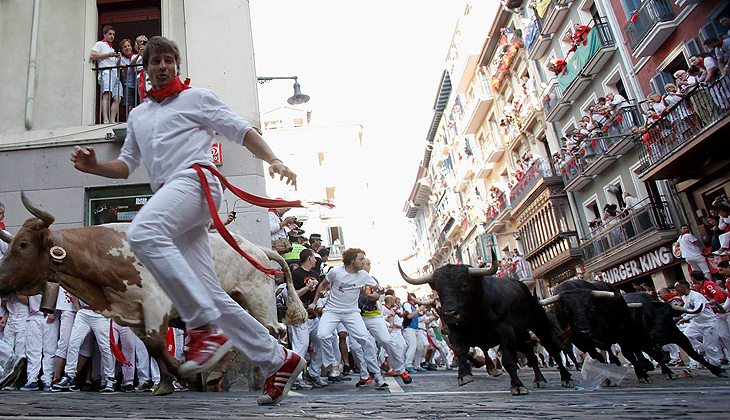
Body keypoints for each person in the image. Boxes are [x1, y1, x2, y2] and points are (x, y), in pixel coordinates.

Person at [70, 36, 304, 405]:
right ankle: (278, 359)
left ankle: (201, 326)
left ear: (177, 65)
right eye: (155, 61)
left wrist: (273, 159)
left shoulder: (198, 98)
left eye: (168, 60)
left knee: (143, 232)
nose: (162, 66)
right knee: (210, 292)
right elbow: (127, 165)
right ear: (144, 69)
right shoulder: (138, 115)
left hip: (198, 181)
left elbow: (241, 130)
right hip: (173, 197)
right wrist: (96, 166)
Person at [311, 248, 389, 389]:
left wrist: (381, 290)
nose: (363, 262)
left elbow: (377, 288)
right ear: (352, 260)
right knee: (322, 335)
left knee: (365, 340)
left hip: (351, 312)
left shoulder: (363, 275)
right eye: (361, 259)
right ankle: (334, 364)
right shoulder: (335, 272)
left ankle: (377, 375)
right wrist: (315, 302)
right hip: (332, 310)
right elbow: (322, 286)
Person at [358, 258, 411, 384]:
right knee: (362, 346)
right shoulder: (350, 278)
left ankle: (400, 369)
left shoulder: (372, 280)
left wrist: (365, 295)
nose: (369, 267)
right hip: (357, 316)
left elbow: (376, 295)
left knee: (386, 340)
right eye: (367, 264)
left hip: (374, 315)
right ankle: (373, 375)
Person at [674, 281, 723, 372]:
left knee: (710, 347)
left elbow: (698, 310)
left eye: (677, 289)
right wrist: (680, 315)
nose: (676, 291)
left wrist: (686, 318)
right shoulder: (684, 297)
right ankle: (702, 350)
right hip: (696, 322)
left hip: (709, 323)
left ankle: (716, 365)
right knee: (687, 336)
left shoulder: (696, 296)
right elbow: (687, 307)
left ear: (683, 288)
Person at [89, 25, 122, 123]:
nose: (112, 36)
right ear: (104, 34)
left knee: (118, 97)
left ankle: (112, 120)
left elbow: (116, 64)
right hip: (106, 73)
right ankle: (105, 119)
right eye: (110, 34)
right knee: (106, 95)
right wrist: (108, 55)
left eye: (113, 35)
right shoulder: (100, 44)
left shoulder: (111, 49)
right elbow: (92, 55)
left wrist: (118, 58)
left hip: (115, 75)